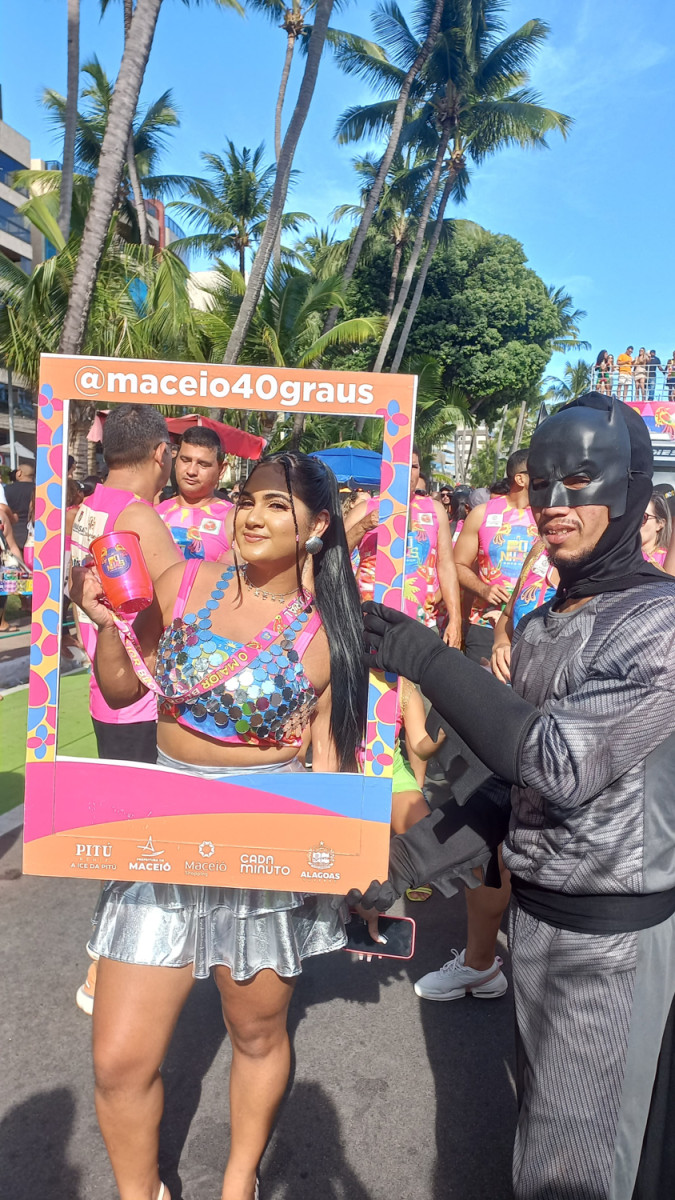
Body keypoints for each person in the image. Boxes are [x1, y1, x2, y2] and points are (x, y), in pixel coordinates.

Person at [360, 391, 675, 1200]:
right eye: (540, 483)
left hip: (609, 945)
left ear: (630, 486)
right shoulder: (541, 624)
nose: (553, 503)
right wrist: (401, 865)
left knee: (578, 1167)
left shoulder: (659, 624)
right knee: (541, 1131)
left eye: (579, 479)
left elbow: (557, 763)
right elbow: (509, 790)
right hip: (534, 928)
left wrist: (427, 659)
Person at [71, 451, 366, 1200]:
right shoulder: (184, 582)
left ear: (317, 527)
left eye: (276, 505)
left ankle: (238, 1182)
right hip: (163, 829)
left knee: (257, 1034)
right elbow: (120, 688)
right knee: (118, 1059)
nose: (252, 516)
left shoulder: (328, 630)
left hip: (262, 841)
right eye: (248, 500)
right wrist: (109, 624)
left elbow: (332, 755)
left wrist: (342, 864)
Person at [70, 405, 181, 1014]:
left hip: (106, 691)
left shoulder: (89, 508)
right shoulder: (138, 515)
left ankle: (111, 966)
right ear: (161, 453)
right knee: (146, 846)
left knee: (131, 842)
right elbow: (182, 602)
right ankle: (104, 969)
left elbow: (76, 591)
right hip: (140, 698)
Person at [346, 446, 462, 647]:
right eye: (401, 465)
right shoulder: (365, 509)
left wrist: (455, 619)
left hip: (420, 622)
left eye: (414, 466)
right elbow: (335, 555)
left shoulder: (434, 510)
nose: (408, 472)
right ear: (386, 469)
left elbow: (446, 565)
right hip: (370, 621)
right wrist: (363, 526)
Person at [453, 449, 536, 663]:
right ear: (521, 479)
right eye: (540, 471)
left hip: (534, 626)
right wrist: (484, 589)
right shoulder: (482, 513)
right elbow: (457, 564)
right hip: (485, 624)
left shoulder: (547, 514)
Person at [156, 426, 234, 561]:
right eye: (185, 460)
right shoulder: (155, 514)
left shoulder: (233, 520)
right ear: (176, 461)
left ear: (221, 470)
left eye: (203, 464)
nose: (191, 471)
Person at [640, 490, 671, 568]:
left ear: (660, 524)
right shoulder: (622, 556)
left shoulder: (668, 561)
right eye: (633, 517)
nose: (636, 523)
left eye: (643, 517)